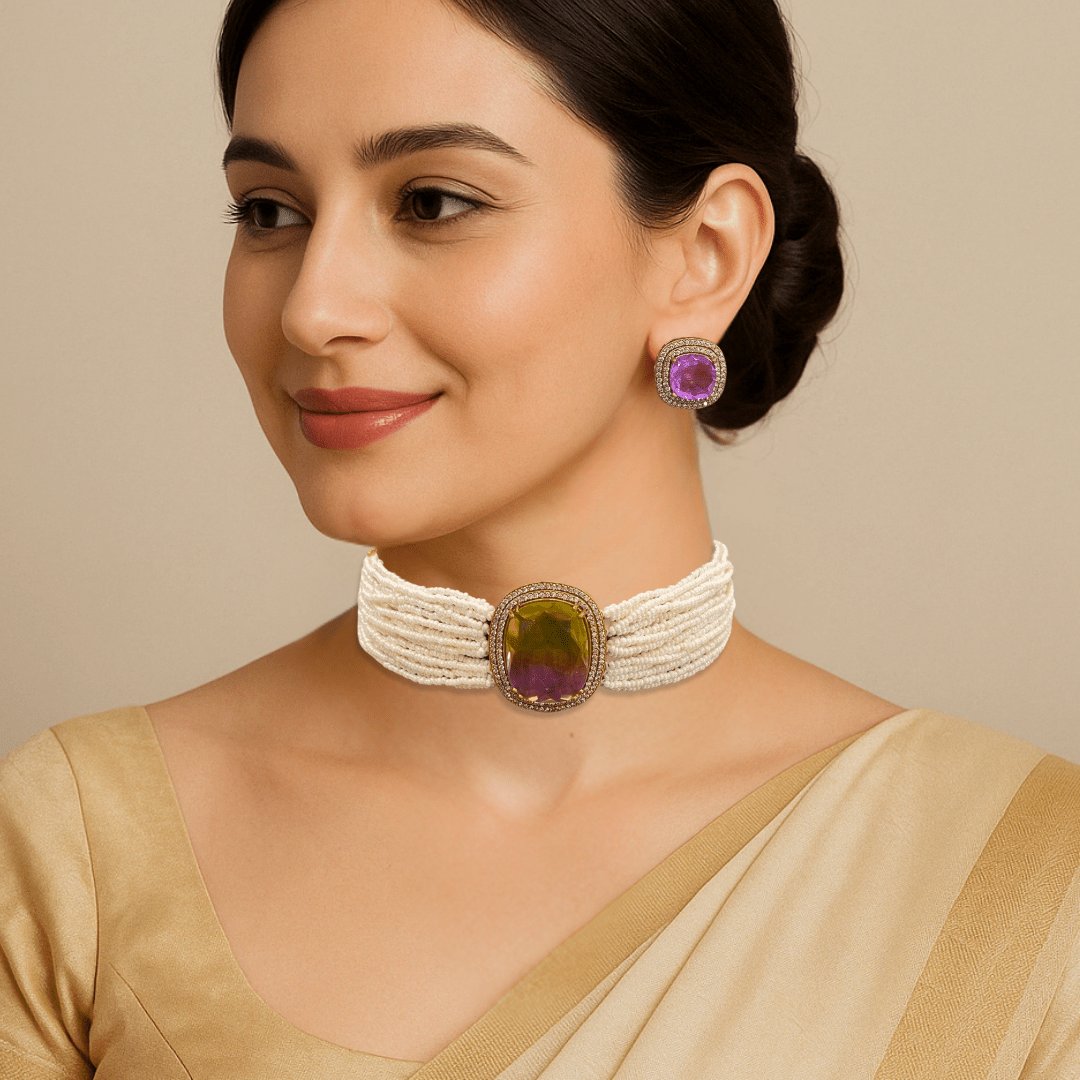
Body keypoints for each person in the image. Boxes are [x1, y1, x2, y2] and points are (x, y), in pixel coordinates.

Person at [2, 0, 1078, 1076]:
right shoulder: (83, 847)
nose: (312, 310)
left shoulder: (1028, 878)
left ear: (706, 256)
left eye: (433, 202)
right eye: (270, 212)